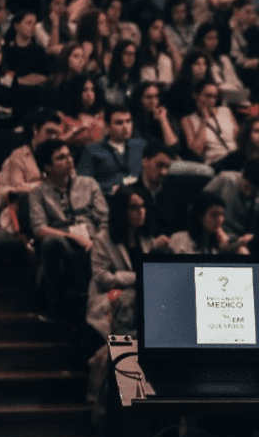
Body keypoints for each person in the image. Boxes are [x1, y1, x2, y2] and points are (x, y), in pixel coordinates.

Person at [28, 140, 109, 325]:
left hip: (94, 240)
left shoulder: (88, 184)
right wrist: (74, 237)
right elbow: (39, 228)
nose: (69, 160)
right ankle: (53, 305)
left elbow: (104, 219)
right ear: (47, 167)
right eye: (61, 158)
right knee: (50, 242)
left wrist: (98, 241)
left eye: (69, 155)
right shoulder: (38, 193)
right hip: (64, 243)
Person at [86, 186, 171, 340]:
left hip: (141, 295)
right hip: (110, 296)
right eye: (134, 207)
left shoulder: (146, 237)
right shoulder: (103, 239)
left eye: (143, 206)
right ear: (122, 211)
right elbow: (102, 278)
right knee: (129, 300)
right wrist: (138, 277)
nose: (141, 211)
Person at [79, 104, 146, 194]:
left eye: (128, 121)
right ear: (107, 126)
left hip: (139, 197)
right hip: (108, 199)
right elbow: (83, 185)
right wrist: (113, 187)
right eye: (119, 123)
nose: (125, 126)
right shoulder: (91, 150)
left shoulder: (140, 145)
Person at [169, 191, 250, 255]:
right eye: (214, 215)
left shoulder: (226, 240)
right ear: (200, 217)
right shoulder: (179, 238)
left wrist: (233, 248)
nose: (220, 220)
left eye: (221, 214)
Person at [181, 80, 239, 165]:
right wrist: (204, 121)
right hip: (215, 161)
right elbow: (196, 151)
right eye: (208, 96)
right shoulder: (187, 120)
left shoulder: (225, 111)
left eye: (214, 97)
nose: (211, 100)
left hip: (234, 156)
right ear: (196, 95)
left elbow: (240, 139)